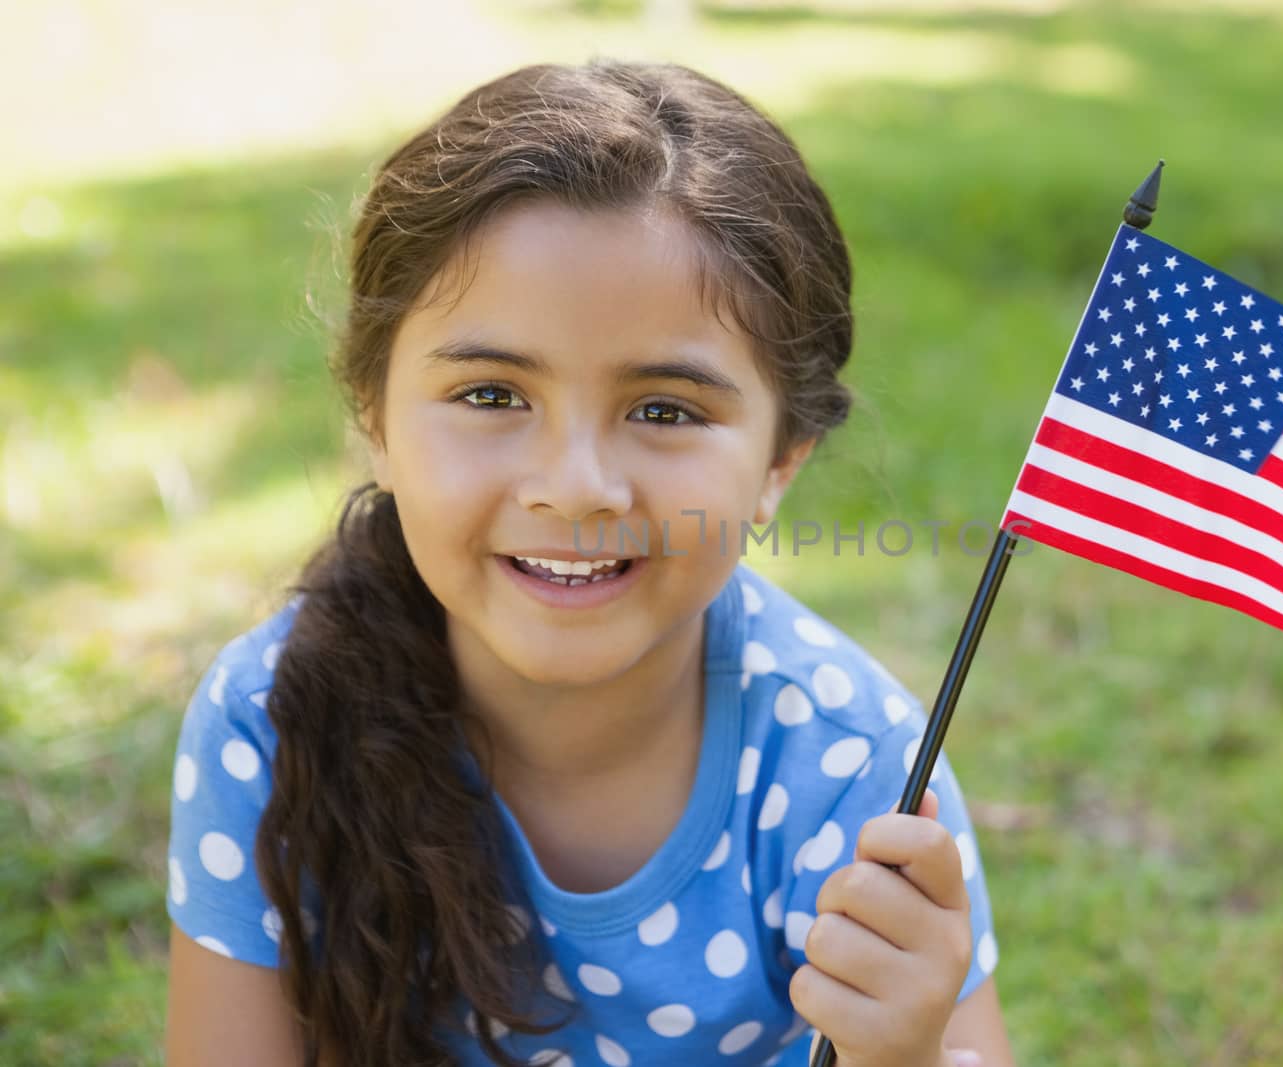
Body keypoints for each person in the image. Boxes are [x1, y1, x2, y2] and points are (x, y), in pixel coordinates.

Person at [164, 59, 1014, 1067]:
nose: (575, 487)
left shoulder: (854, 769)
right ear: (374, 416)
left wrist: (907, 1054)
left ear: (781, 462)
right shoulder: (270, 718)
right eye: (490, 394)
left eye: (664, 410)